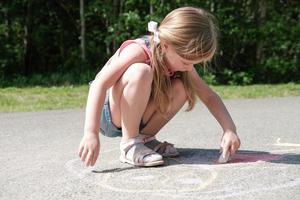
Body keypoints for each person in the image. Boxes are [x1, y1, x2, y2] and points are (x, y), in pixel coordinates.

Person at [78, 6, 241, 167]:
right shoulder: (138, 50)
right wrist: (90, 133)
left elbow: (209, 96)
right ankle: (129, 145)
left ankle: (144, 139)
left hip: (137, 116)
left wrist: (229, 129)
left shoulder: (181, 61)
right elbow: (99, 84)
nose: (188, 67)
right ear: (165, 45)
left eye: (193, 63)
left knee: (183, 87)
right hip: (108, 114)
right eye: (186, 62)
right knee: (141, 71)